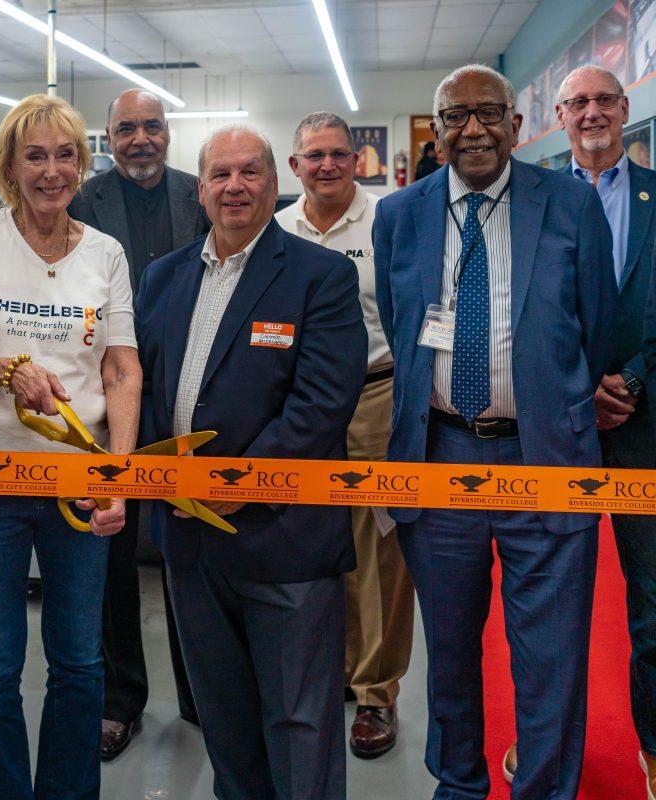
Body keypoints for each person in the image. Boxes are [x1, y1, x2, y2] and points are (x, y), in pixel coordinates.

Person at [373, 64, 616, 800]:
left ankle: (544, 788)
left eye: (487, 113)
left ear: (516, 123)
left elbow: (597, 327)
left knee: (550, 653)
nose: (472, 129)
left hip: (545, 454)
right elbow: (399, 319)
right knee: (449, 650)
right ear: (437, 127)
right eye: (455, 116)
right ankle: (461, 784)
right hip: (439, 456)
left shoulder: (571, 205)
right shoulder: (400, 215)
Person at [135, 124, 366, 799]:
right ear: (200, 188)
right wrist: (157, 478)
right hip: (190, 542)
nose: (235, 186)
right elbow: (146, 388)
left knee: (299, 723)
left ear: (274, 182)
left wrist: (236, 483)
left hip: (284, 538)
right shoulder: (163, 277)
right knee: (225, 723)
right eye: (220, 174)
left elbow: (321, 405)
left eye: (250, 172)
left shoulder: (320, 275)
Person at [0, 93, 140, 799]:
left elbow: (120, 369)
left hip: (78, 481)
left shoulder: (106, 252)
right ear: (10, 165)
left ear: (82, 161)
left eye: (66, 154)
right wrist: (6, 371)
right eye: (36, 155)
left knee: (79, 659)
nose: (53, 170)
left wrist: (119, 474)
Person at [500, 64, 656, 793]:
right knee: (550, 613)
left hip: (643, 427)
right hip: (553, 431)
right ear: (557, 117)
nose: (592, 113)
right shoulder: (531, 204)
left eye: (604, 100)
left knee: (653, 604)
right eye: (578, 103)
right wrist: (577, 387)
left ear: (625, 110)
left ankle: (653, 747)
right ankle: (546, 751)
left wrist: (632, 379)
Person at [68, 88, 210, 758]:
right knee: (113, 555)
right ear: (109, 136)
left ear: (168, 133)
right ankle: (119, 700)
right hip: (105, 400)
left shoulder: (202, 195)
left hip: (189, 398)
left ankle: (203, 694)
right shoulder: (80, 203)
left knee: (193, 548)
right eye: (127, 129)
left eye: (152, 126)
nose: (141, 139)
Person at [276, 111, 413, 760]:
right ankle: (326, 671)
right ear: (294, 165)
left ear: (358, 160)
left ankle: (376, 691)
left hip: (376, 398)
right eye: (313, 156)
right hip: (297, 405)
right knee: (307, 539)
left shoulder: (390, 220)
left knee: (379, 547)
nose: (326, 165)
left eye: (338, 154)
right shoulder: (277, 228)